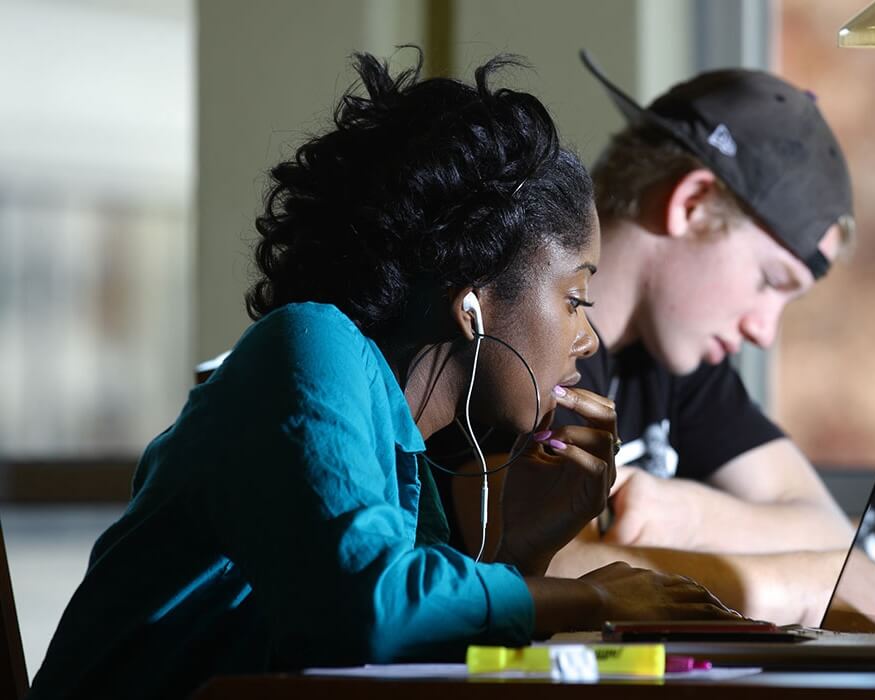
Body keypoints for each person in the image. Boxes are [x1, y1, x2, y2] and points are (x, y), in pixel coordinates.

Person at [28, 51, 735, 700]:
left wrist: (528, 545)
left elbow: (409, 662)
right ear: (472, 300)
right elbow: (370, 609)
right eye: (575, 297)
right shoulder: (306, 344)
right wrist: (600, 598)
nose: (587, 338)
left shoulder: (402, 452)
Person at [434, 52, 875, 628]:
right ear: (692, 204)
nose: (763, 329)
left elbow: (822, 523)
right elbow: (540, 573)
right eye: (769, 281)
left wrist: (694, 516)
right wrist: (840, 584)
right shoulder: (519, 340)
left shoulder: (671, 361)